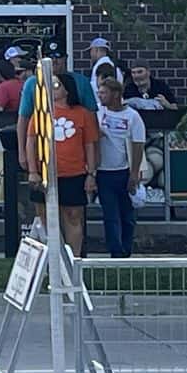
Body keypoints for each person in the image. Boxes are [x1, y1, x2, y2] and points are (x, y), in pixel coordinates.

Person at [26, 74, 98, 256]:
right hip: (45, 173)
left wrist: (91, 173)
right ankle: (52, 261)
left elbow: (89, 144)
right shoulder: (41, 113)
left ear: (68, 89)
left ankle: (73, 262)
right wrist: (32, 171)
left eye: (57, 84)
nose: (53, 88)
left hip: (74, 173)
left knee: (73, 216)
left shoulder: (82, 114)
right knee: (45, 218)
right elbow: (31, 142)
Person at [96, 79, 146, 258]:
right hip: (103, 171)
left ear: (116, 94)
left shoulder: (132, 116)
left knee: (127, 215)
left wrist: (134, 172)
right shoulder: (98, 112)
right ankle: (115, 251)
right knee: (110, 214)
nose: (100, 96)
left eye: (104, 93)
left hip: (123, 170)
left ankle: (126, 249)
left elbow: (138, 145)